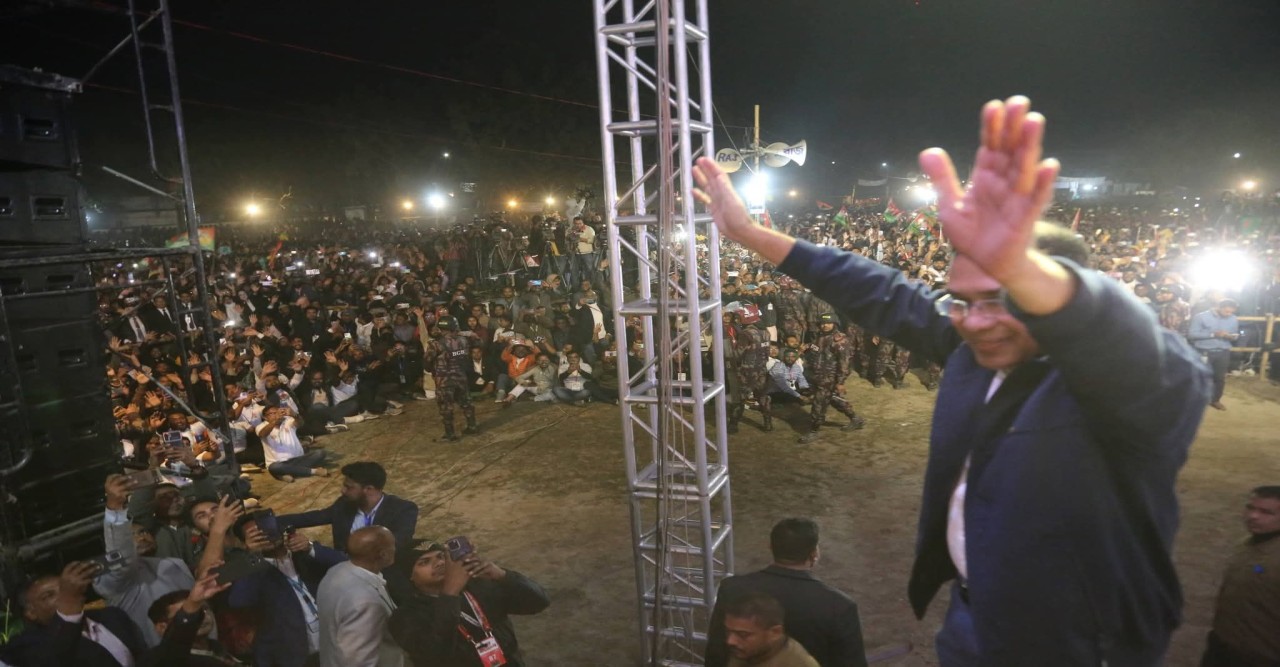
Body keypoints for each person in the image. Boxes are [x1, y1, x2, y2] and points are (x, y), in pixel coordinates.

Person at [693, 96, 1211, 665]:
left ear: (1055, 296)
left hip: (1081, 645)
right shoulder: (974, 348)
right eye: (961, 300)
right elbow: (886, 294)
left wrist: (1019, 265)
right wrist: (752, 235)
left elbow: (1142, 353)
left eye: (1002, 298)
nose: (974, 320)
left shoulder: (1127, 390)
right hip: (973, 618)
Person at [706, 518, 867, 667]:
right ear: (814, 554)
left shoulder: (732, 588)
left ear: (771, 547)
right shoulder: (840, 606)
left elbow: (716, 653)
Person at [388, 543, 550, 667]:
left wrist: (503, 576)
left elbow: (538, 603)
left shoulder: (480, 585)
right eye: (424, 562)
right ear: (411, 576)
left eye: (441, 556)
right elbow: (435, 654)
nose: (438, 563)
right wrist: (450, 593)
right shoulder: (404, 617)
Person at [94, 474, 198, 648]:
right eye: (131, 536)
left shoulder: (174, 564)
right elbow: (121, 554)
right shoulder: (111, 575)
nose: (141, 537)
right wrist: (115, 508)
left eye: (143, 532)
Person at [228, 521, 347, 667]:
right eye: (256, 534)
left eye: (267, 527)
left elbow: (346, 565)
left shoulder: (305, 555)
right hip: (295, 656)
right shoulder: (253, 572)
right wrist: (252, 557)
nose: (266, 535)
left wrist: (310, 547)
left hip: (337, 645)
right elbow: (239, 601)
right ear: (245, 543)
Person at [5, 561, 148, 667]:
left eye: (64, 589)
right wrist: (69, 603)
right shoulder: (25, 645)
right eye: (49, 595)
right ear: (31, 613)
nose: (63, 595)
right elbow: (55, 660)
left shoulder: (111, 615)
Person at [1201, 485, 1280, 666]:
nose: (1253, 516)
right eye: (1250, 508)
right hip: (1223, 646)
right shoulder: (1246, 544)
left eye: (1266, 512)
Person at [278, 461, 420, 555]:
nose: (342, 491)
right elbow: (311, 518)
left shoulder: (403, 510)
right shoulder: (344, 505)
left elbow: (397, 544)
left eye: (349, 487)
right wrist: (272, 521)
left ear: (369, 489)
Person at [317, 526, 406, 667]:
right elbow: (360, 661)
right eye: (393, 545)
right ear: (383, 554)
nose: (395, 548)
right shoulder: (366, 604)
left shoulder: (337, 570)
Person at [140, 575, 236, 667]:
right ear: (162, 627)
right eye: (191, 613)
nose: (202, 616)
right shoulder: (158, 660)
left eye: (205, 609)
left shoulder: (223, 652)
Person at [801, 313, 864, 444]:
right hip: (818, 376)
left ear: (835, 324)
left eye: (828, 323)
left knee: (818, 403)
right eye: (823, 323)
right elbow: (816, 349)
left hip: (829, 378)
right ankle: (855, 419)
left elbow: (844, 363)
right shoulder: (820, 336)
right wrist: (806, 347)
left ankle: (813, 430)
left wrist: (840, 382)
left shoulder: (840, 341)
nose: (825, 326)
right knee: (833, 398)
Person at [719, 590, 819, 667]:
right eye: (728, 631)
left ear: (775, 632)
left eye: (743, 635)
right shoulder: (749, 651)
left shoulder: (799, 663)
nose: (730, 641)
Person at [424, 316, 478, 441]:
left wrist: (433, 369)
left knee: (446, 406)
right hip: (461, 376)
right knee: (466, 403)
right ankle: (472, 426)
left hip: (444, 379)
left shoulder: (436, 344)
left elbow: (427, 362)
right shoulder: (464, 340)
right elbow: (467, 358)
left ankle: (450, 434)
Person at [1188, 298, 1240, 411]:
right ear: (1219, 307)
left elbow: (1235, 334)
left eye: (1231, 312)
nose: (1229, 314)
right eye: (1226, 311)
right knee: (1201, 376)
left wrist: (1232, 336)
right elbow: (1192, 334)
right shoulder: (1201, 317)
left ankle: (1215, 399)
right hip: (1204, 351)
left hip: (1223, 351)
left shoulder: (1233, 319)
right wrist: (1213, 334)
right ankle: (1196, 400)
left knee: (1220, 378)